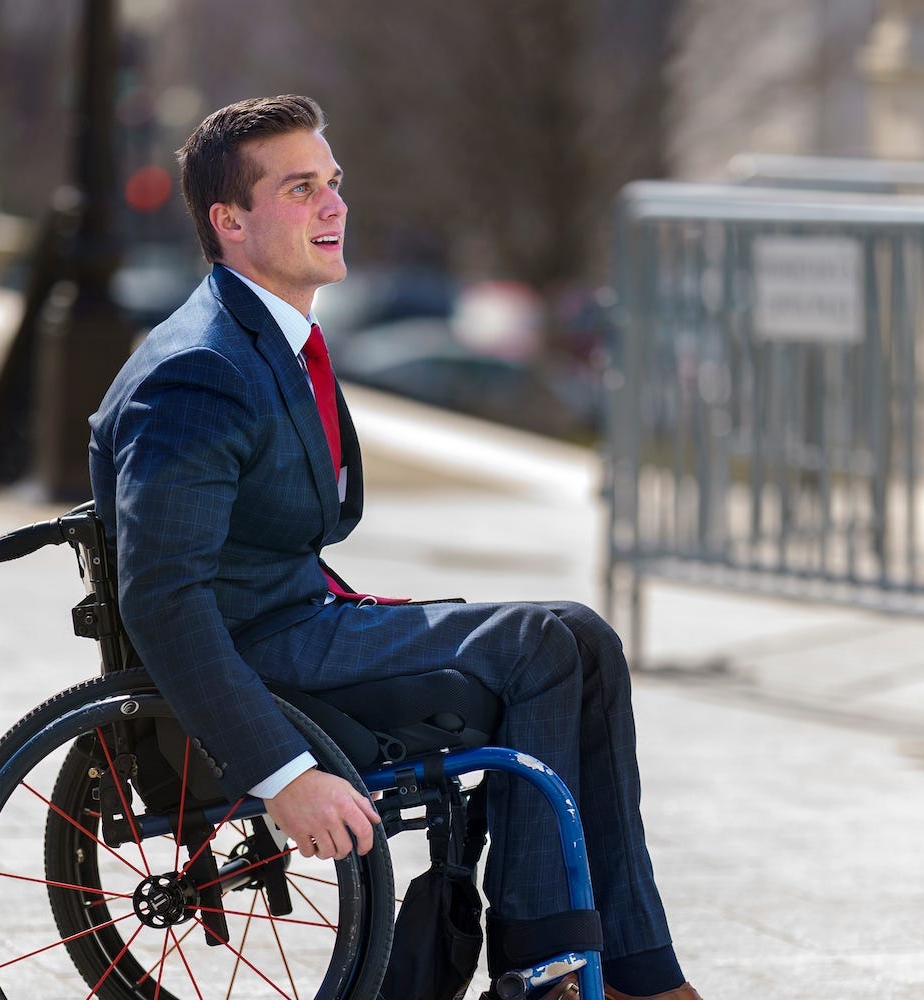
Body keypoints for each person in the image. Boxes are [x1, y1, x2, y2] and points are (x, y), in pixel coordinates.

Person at [89, 95, 700, 1000]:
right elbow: (165, 598)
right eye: (301, 189)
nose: (334, 205)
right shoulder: (198, 371)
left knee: (584, 638)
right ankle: (543, 970)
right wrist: (282, 773)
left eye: (333, 183)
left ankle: (639, 973)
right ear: (230, 220)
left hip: (303, 616)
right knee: (539, 644)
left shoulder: (272, 339)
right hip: (257, 650)